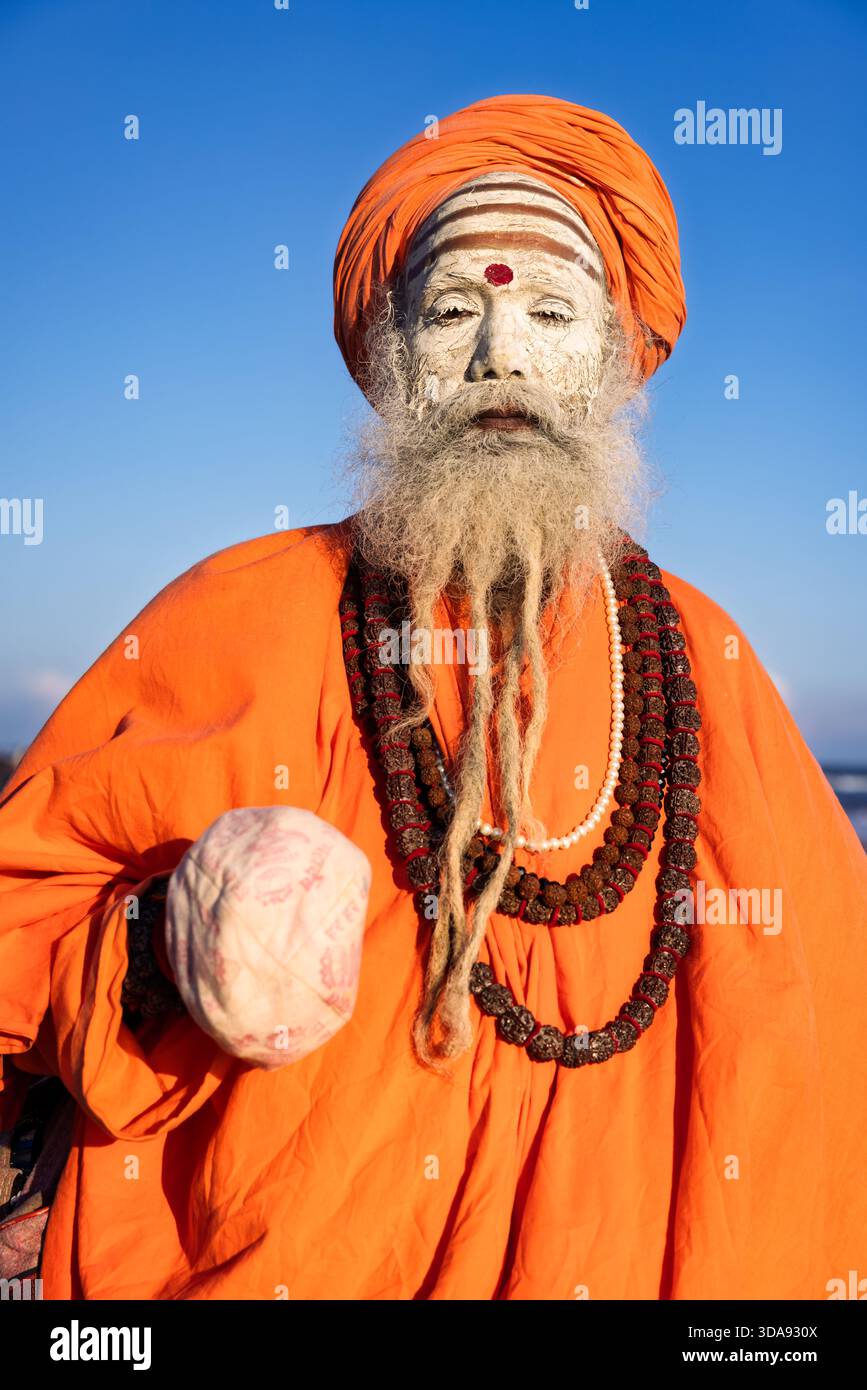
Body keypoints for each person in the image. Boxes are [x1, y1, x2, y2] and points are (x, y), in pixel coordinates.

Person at [0, 94, 864, 1301]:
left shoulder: (709, 665)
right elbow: (20, 928)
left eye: (550, 311)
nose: (499, 351)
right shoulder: (243, 611)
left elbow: (823, 1040)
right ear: (391, 360)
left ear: (618, 364)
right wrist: (160, 943)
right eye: (455, 309)